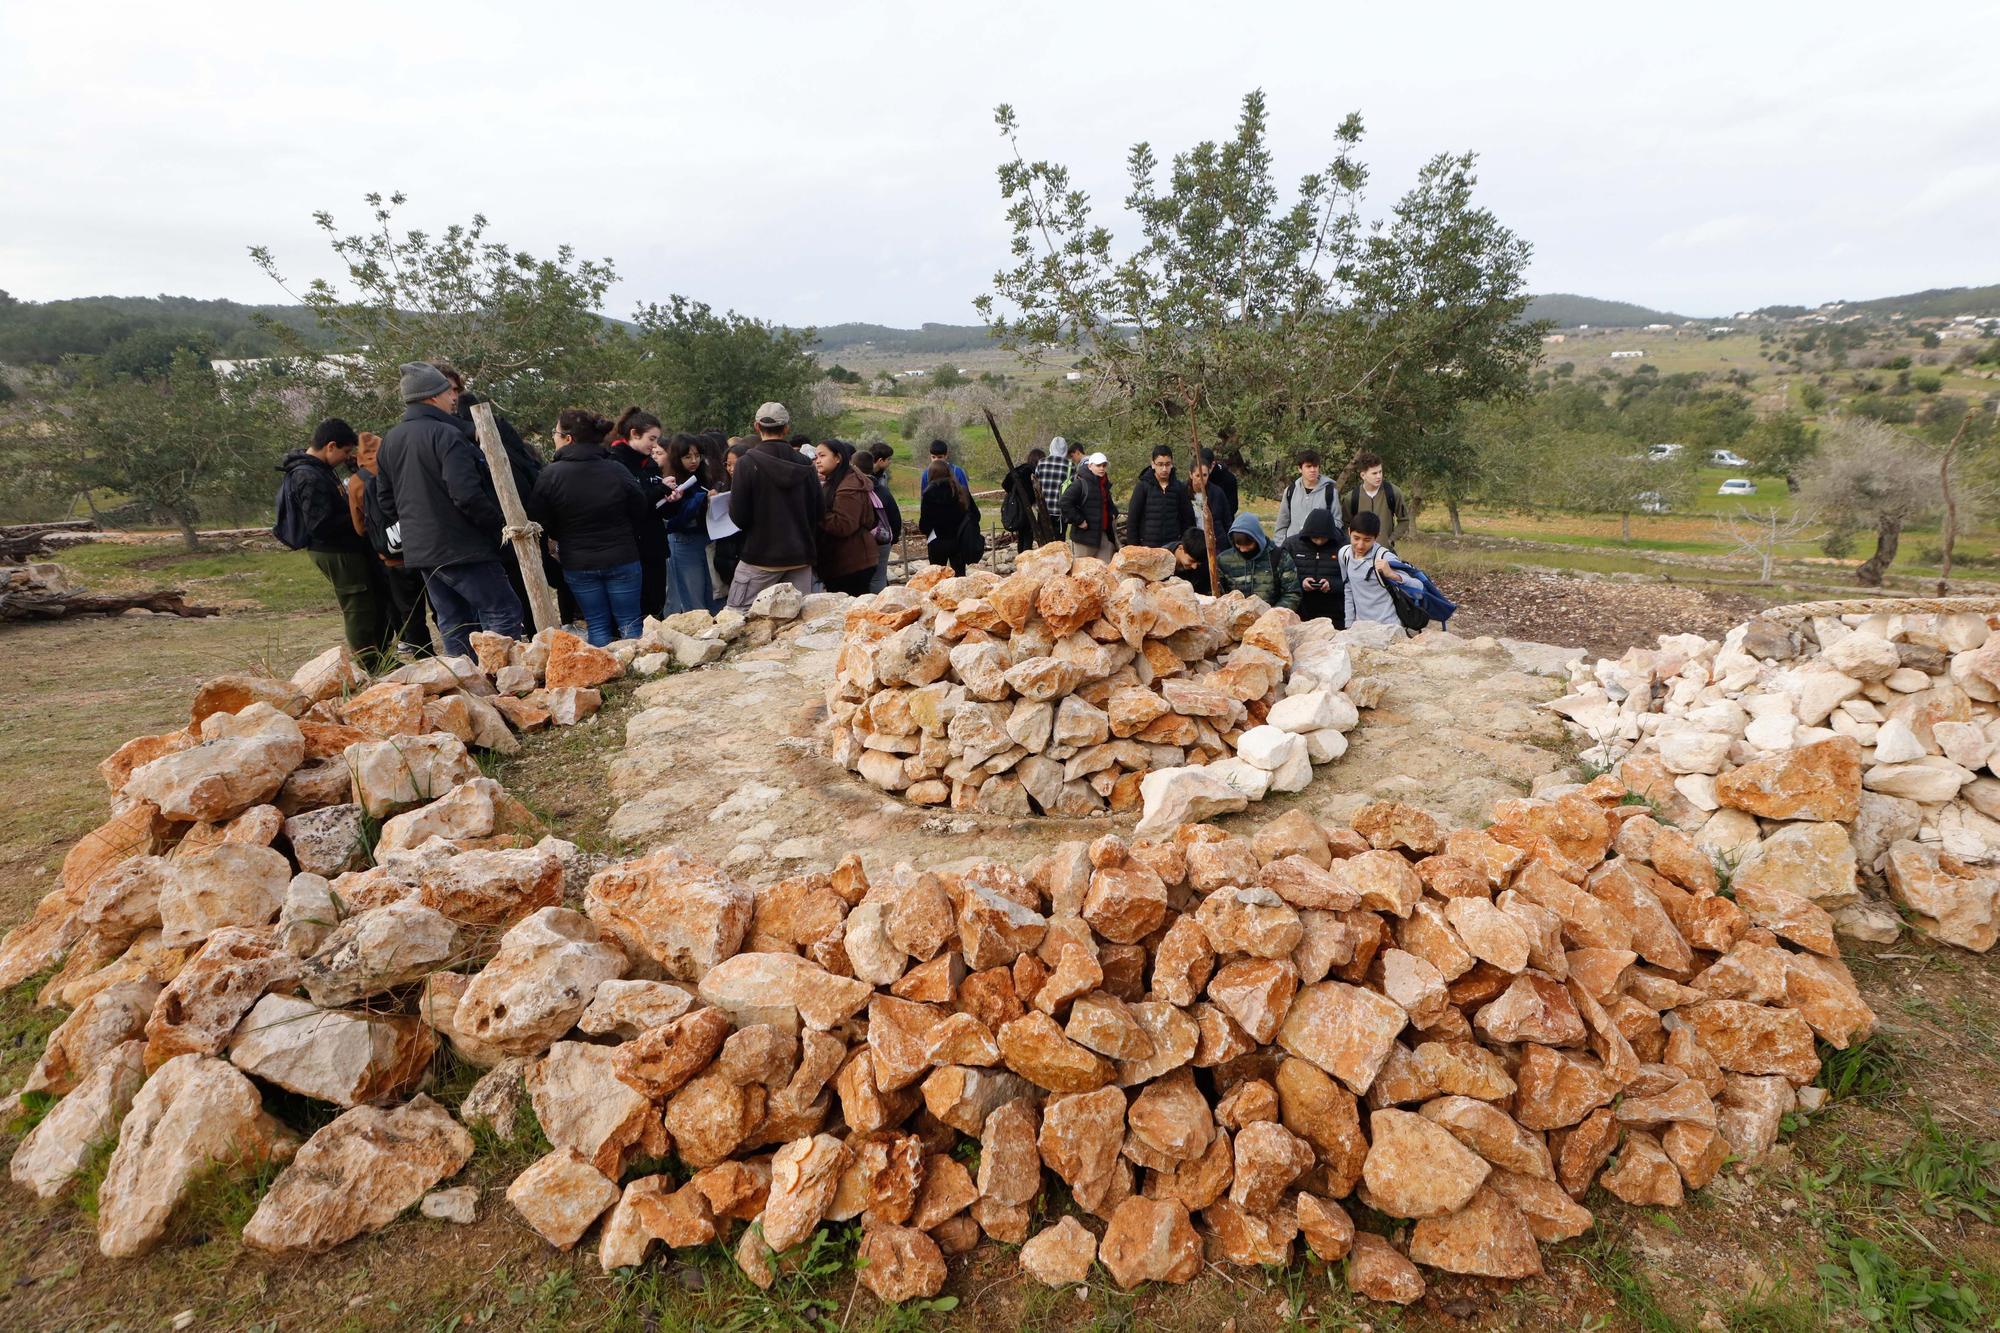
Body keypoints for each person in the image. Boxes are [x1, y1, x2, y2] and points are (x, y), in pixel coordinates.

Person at [376, 363, 522, 658]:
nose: (453, 397)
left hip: (422, 549)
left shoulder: (390, 440)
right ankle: (504, 684)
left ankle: (465, 689)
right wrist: (499, 529)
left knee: (454, 620)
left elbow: (386, 501)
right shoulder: (447, 435)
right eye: (447, 391)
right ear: (431, 396)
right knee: (503, 610)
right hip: (463, 546)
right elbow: (467, 494)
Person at [529, 409, 650, 646]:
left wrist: (558, 535)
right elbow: (639, 506)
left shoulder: (550, 475)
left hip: (578, 560)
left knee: (596, 623)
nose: (553, 437)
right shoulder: (616, 469)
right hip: (622, 555)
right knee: (630, 622)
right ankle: (643, 669)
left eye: (555, 433)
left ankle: (606, 676)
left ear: (568, 438)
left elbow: (539, 518)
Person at [281, 418, 386, 661]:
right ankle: (370, 663)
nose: (346, 457)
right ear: (330, 446)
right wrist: (360, 516)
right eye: (345, 452)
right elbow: (320, 524)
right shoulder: (308, 476)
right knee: (357, 604)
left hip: (344, 547)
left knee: (370, 600)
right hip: (334, 550)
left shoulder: (320, 470)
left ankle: (379, 655)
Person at [725, 402, 823, 609]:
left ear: (756, 427)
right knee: (798, 620)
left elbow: (739, 516)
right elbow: (818, 510)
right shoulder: (806, 464)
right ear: (786, 428)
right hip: (800, 556)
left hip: (760, 556)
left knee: (737, 613)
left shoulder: (746, 463)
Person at [349, 431, 431, 658]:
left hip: (392, 557)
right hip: (425, 548)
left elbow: (358, 527)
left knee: (410, 613)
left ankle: (425, 658)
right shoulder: (401, 468)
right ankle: (457, 653)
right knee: (441, 607)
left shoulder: (357, 482)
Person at [609, 408, 672, 619]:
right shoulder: (615, 463)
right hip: (631, 546)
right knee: (636, 606)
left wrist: (671, 497)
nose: (654, 445)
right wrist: (660, 490)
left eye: (657, 440)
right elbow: (632, 503)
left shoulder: (650, 464)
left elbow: (655, 502)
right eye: (651, 439)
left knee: (656, 601)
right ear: (634, 434)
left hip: (654, 543)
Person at [659, 434, 718, 614]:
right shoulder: (670, 482)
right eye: (687, 457)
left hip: (706, 540)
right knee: (692, 599)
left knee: (712, 593)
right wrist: (701, 500)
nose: (694, 461)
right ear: (677, 458)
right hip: (683, 542)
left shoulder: (703, 478)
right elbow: (674, 521)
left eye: (697, 455)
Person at [813, 439, 880, 596]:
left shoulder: (849, 485)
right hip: (844, 561)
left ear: (838, 458)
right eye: (816, 457)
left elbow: (843, 525)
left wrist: (815, 510)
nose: (818, 461)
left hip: (852, 562)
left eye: (822, 455)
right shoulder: (837, 480)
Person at [1339, 511, 1413, 629]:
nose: (1360, 545)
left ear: (1376, 537)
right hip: (1361, 627)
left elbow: (1418, 586)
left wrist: (1392, 575)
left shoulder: (1385, 557)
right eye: (1356, 538)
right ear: (1349, 532)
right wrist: (1349, 625)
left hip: (1389, 627)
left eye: (1367, 540)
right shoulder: (1344, 554)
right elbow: (1348, 589)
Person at [1214, 512, 1300, 611]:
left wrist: (1273, 614)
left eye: (1248, 544)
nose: (1243, 550)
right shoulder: (1223, 560)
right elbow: (1217, 593)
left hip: (1271, 619)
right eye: (1239, 545)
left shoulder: (1279, 557)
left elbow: (1292, 593)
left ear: (1257, 539)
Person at [1126, 445, 1196, 551]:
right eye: (1160, 464)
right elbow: (1132, 519)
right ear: (1153, 464)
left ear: (1171, 464)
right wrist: (1134, 548)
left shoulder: (1179, 488)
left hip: (1173, 546)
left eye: (1167, 464)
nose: (1164, 469)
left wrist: (1185, 544)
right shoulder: (1143, 487)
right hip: (1147, 546)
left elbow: (1188, 519)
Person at [919, 459, 982, 576]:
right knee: (960, 577)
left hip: (937, 541)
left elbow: (924, 524)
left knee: (937, 577)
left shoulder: (928, 494)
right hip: (960, 540)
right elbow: (976, 515)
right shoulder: (961, 491)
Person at [1285, 507, 1345, 627]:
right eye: (1315, 538)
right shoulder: (1291, 545)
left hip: (1335, 613)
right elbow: (1282, 577)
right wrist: (1301, 583)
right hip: (1300, 610)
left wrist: (1333, 585)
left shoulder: (1344, 546)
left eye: (1323, 538)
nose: (1319, 541)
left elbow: (1353, 580)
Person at [1273, 449, 1343, 545]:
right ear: (1300, 468)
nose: (1313, 470)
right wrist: (1280, 547)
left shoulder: (1330, 492)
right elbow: (1281, 523)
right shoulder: (1290, 491)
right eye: (1308, 466)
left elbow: (1337, 522)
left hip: (1319, 548)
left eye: (1315, 466)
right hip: (1293, 547)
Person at [711, 439, 754, 594]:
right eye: (728, 464)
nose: (731, 469)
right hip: (726, 553)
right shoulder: (721, 486)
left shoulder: (757, 488)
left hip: (747, 553)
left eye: (736, 464)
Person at [1342, 451, 1410, 548]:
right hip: (1360, 554)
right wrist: (1353, 543)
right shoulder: (1352, 497)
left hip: (1385, 552)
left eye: (1380, 472)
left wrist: (1391, 540)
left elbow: (1404, 521)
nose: (1379, 476)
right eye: (1374, 473)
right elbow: (1345, 525)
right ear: (1363, 475)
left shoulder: (1393, 492)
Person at [1060, 452, 1119, 561]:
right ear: (1090, 466)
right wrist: (1079, 520)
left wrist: (1113, 513)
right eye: (1098, 465)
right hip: (1084, 538)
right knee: (1082, 573)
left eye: (1104, 465)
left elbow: (1108, 505)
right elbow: (1064, 502)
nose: (1101, 468)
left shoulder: (1104, 484)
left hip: (1103, 535)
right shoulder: (1081, 483)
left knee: (1104, 573)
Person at [867, 442, 903, 592]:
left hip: (882, 532)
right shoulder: (869, 481)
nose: (890, 463)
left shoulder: (883, 477)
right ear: (881, 460)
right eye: (889, 460)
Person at [999, 446, 1044, 559]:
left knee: (1022, 535)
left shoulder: (1019, 469)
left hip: (1017, 508)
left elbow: (1005, 484)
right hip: (1026, 508)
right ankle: (1025, 560)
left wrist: (1014, 494)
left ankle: (1020, 559)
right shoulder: (1034, 471)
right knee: (1027, 535)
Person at [1034, 436, 1074, 528]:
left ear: (1051, 447)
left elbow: (1035, 486)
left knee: (1045, 542)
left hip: (1043, 510)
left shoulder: (1041, 463)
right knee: (1059, 541)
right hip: (1061, 512)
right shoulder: (1070, 466)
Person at [1200, 446, 1239, 534]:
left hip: (1222, 528)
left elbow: (1233, 507)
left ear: (1213, 464)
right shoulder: (1199, 478)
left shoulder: (1229, 479)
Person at [1174, 525, 1212, 596]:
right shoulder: (1161, 561)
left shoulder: (1205, 564)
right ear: (1181, 548)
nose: (1194, 567)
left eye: (1198, 563)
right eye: (1191, 561)